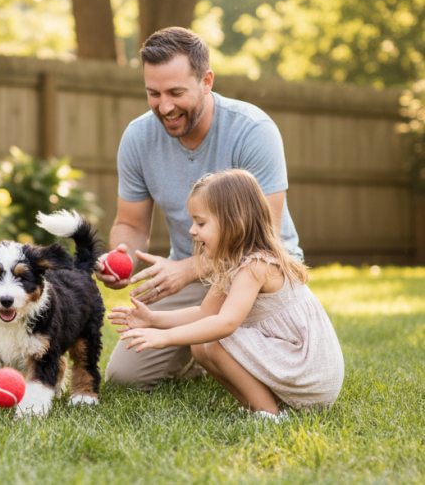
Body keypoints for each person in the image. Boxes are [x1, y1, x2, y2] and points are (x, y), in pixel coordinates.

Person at [97, 26, 303, 390]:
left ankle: (212, 347)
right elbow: (131, 223)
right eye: (153, 93)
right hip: (194, 276)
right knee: (124, 379)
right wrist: (121, 257)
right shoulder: (138, 138)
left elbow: (262, 237)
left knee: (247, 360)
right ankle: (198, 353)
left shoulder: (253, 130)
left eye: (176, 93)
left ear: (206, 81)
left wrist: (186, 269)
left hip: (262, 274)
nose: (164, 107)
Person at [110, 169, 344, 419]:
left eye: (201, 223)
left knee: (215, 340)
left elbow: (226, 323)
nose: (192, 230)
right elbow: (204, 313)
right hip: (291, 363)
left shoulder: (256, 265)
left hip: (310, 374)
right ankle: (259, 407)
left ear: (233, 223)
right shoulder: (231, 262)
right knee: (200, 345)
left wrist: (165, 338)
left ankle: (268, 414)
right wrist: (153, 320)